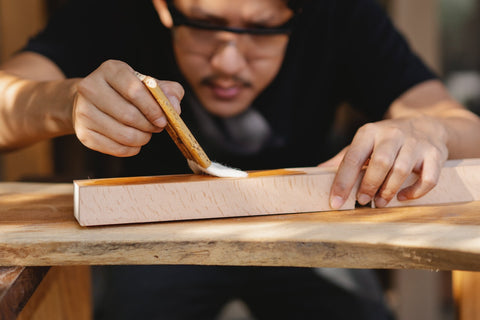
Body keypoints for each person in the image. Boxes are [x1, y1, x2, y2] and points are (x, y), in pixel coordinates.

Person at [1, 0, 479, 319]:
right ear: (163, 7)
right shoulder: (111, 11)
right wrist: (64, 101)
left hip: (312, 222)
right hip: (156, 236)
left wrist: (426, 128)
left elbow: (465, 129)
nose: (228, 61)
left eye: (263, 30)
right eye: (204, 25)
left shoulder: (342, 13)